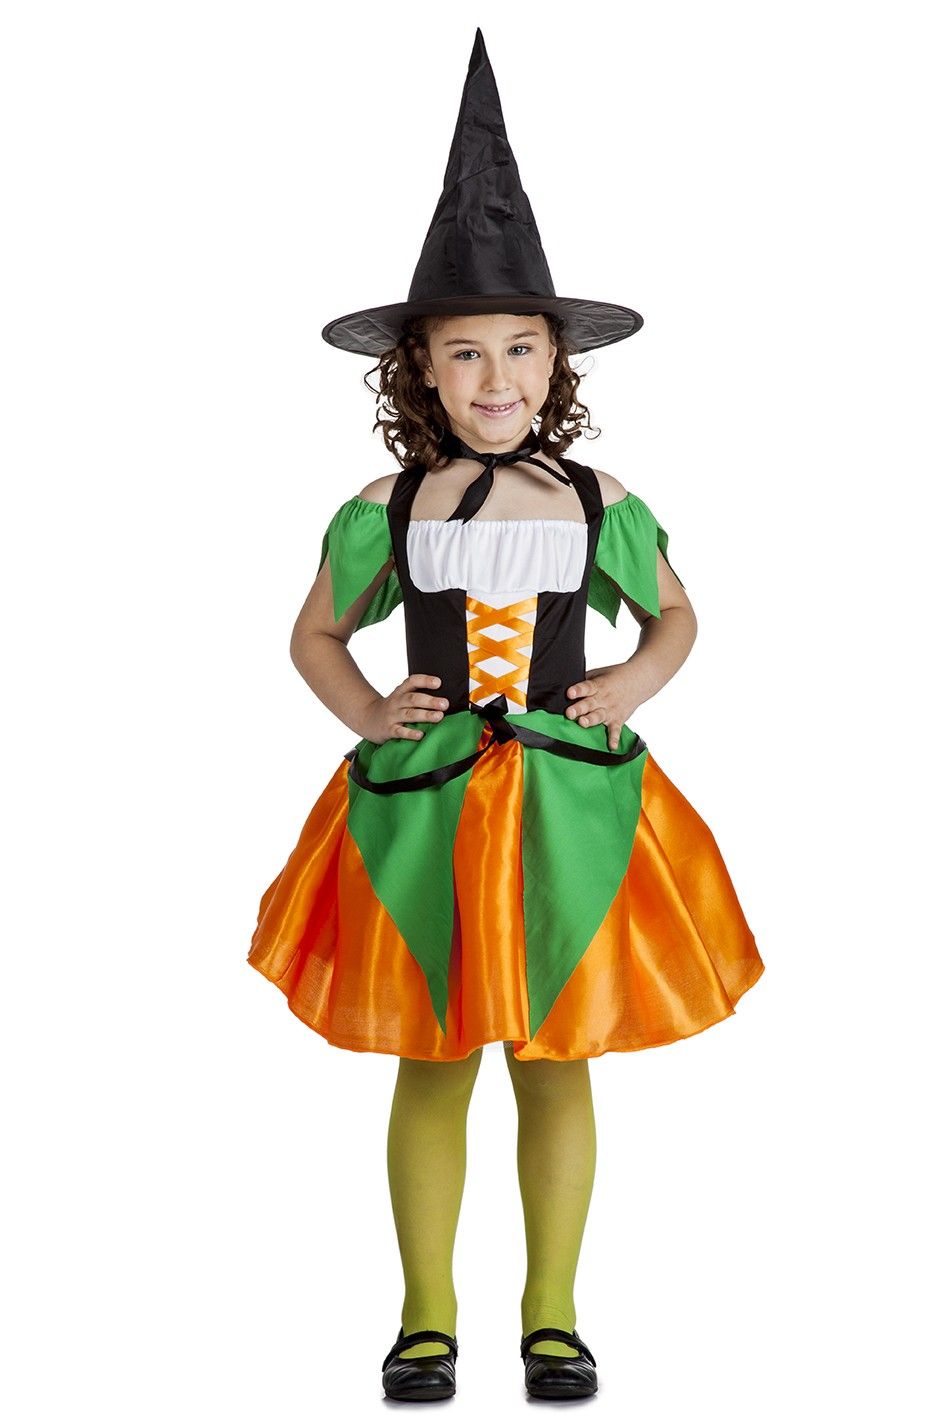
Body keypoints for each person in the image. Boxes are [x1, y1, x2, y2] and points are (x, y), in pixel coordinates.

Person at [247, 28, 764, 1404]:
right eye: (464, 353)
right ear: (418, 367)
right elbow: (312, 634)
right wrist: (369, 706)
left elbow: (675, 616)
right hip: (424, 808)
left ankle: (552, 1313)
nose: (494, 379)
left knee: (555, 1060)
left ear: (555, 361)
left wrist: (633, 681)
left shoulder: (597, 503)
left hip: (567, 806)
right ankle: (425, 1315)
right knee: (431, 1058)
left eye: (519, 351)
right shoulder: (385, 509)